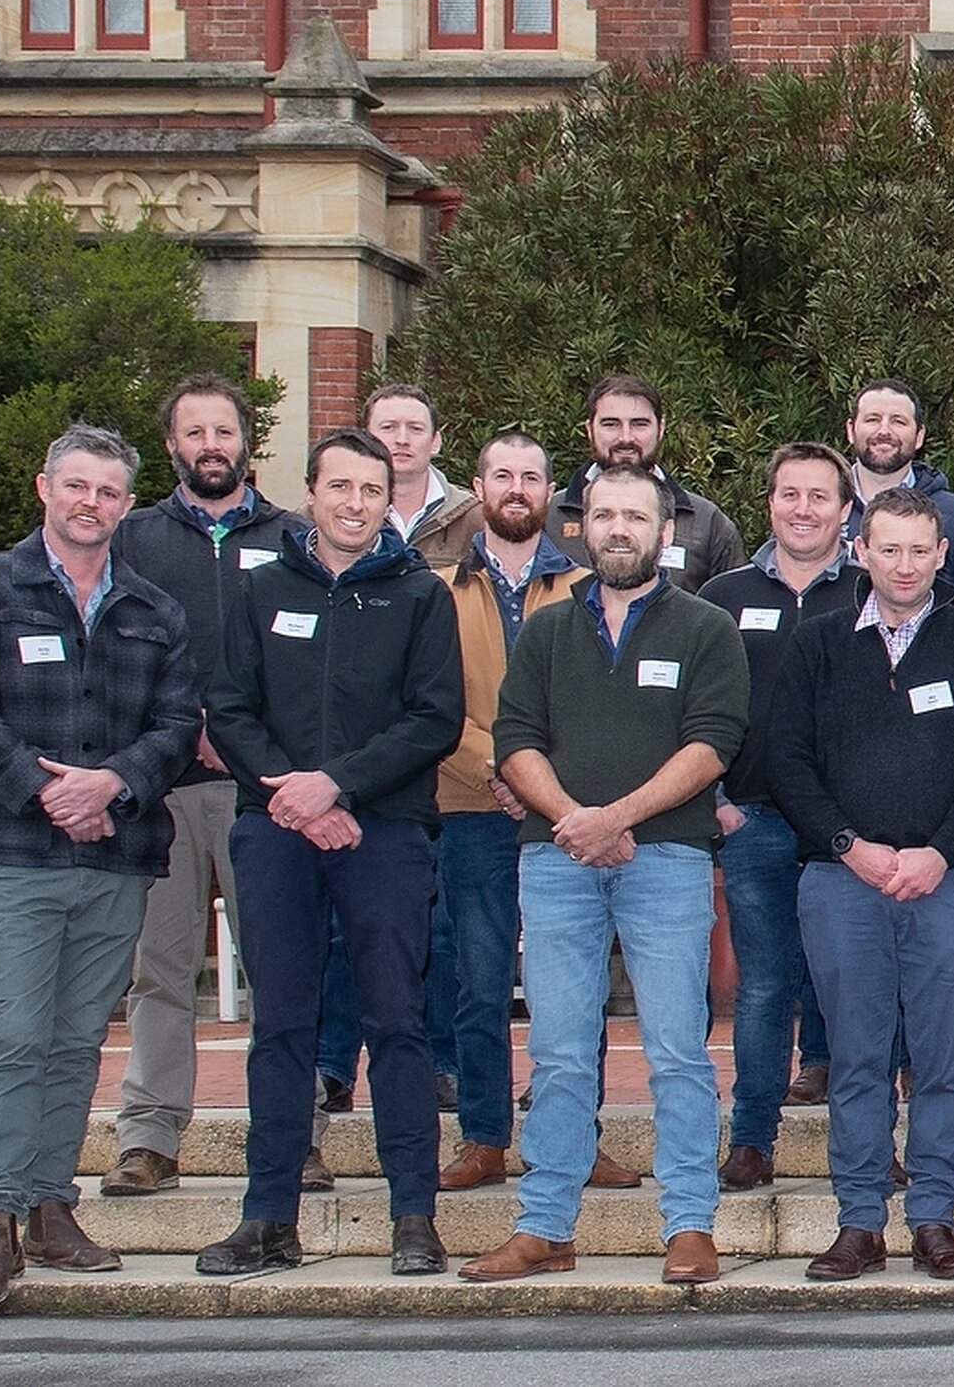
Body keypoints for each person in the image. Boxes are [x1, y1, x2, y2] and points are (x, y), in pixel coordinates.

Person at [0, 424, 198, 1314]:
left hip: (116, 857)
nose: (92, 503)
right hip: (16, 852)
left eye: (109, 491)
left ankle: (51, 1208)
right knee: (16, 1039)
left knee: (78, 1040)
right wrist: (44, 790)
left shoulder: (154, 610)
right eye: (76, 486)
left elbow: (175, 727)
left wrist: (114, 783)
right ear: (45, 489)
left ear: (127, 504)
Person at [455, 465, 747, 1285]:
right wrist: (570, 823)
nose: (620, 528)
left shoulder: (704, 628)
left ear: (664, 531)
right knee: (557, 1053)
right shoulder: (545, 633)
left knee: (678, 1051)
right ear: (581, 528)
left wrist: (614, 818)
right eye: (606, 515)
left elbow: (712, 742)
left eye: (637, 516)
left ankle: (689, 1223)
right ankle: (545, 1225)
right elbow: (514, 742)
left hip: (668, 861)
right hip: (555, 863)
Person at [193, 426, 462, 1280]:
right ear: (308, 493)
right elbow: (229, 709)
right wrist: (294, 796)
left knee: (397, 1024)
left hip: (383, 834)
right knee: (282, 1026)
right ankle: (266, 1217)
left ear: (392, 503)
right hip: (274, 830)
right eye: (339, 488)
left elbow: (432, 719)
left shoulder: (419, 596)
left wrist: (337, 787)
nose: (355, 505)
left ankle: (413, 1217)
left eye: (372, 492)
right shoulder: (262, 589)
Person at [764, 487, 954, 1282]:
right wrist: (851, 847)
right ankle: (858, 1221)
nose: (905, 565)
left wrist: (939, 853)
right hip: (842, 882)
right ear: (861, 552)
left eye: (920, 550)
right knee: (856, 1060)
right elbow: (787, 761)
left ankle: (936, 1219)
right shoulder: (815, 648)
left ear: (943, 554)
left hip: (947, 881)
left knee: (943, 1060)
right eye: (890, 549)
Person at [102, 376, 298, 1200]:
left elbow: (307, 670)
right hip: (163, 788)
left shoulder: (293, 535)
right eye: (194, 432)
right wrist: (189, 729)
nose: (211, 444)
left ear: (245, 441)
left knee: (281, 969)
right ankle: (149, 1138)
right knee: (160, 968)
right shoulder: (132, 539)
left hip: (268, 791)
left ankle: (293, 1134)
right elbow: (111, 661)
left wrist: (247, 738)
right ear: (173, 445)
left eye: (224, 430)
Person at [698, 442, 859, 1188]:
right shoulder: (723, 597)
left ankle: (864, 1142)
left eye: (819, 496)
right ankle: (753, 1138)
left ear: (844, 509)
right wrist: (718, 803)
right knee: (764, 986)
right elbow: (693, 713)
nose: (803, 509)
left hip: (849, 830)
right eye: (789, 495)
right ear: (769, 504)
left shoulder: (869, 593)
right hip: (754, 820)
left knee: (855, 986)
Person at [430, 430, 588, 1195]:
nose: (516, 487)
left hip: (567, 812)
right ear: (478, 486)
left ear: (549, 491)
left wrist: (542, 782)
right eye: (502, 475)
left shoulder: (588, 588)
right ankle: (485, 1135)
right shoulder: (438, 589)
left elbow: (603, 706)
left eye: (531, 476)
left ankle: (576, 1136)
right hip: (470, 806)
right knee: (480, 981)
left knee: (573, 987)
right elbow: (428, 704)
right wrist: (499, 767)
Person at [551, 374, 744, 596]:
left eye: (639, 424)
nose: (625, 438)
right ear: (589, 429)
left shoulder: (706, 521)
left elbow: (732, 610)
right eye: (611, 424)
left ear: (660, 428)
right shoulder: (550, 516)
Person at [837, 378, 954, 603]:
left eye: (898, 421)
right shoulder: (819, 510)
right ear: (850, 430)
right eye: (872, 419)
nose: (884, 431)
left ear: (919, 436)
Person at [363, 382, 476, 556]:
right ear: (365, 438)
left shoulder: (474, 518)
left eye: (415, 428)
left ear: (435, 442)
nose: (402, 439)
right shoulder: (331, 513)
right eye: (388, 427)